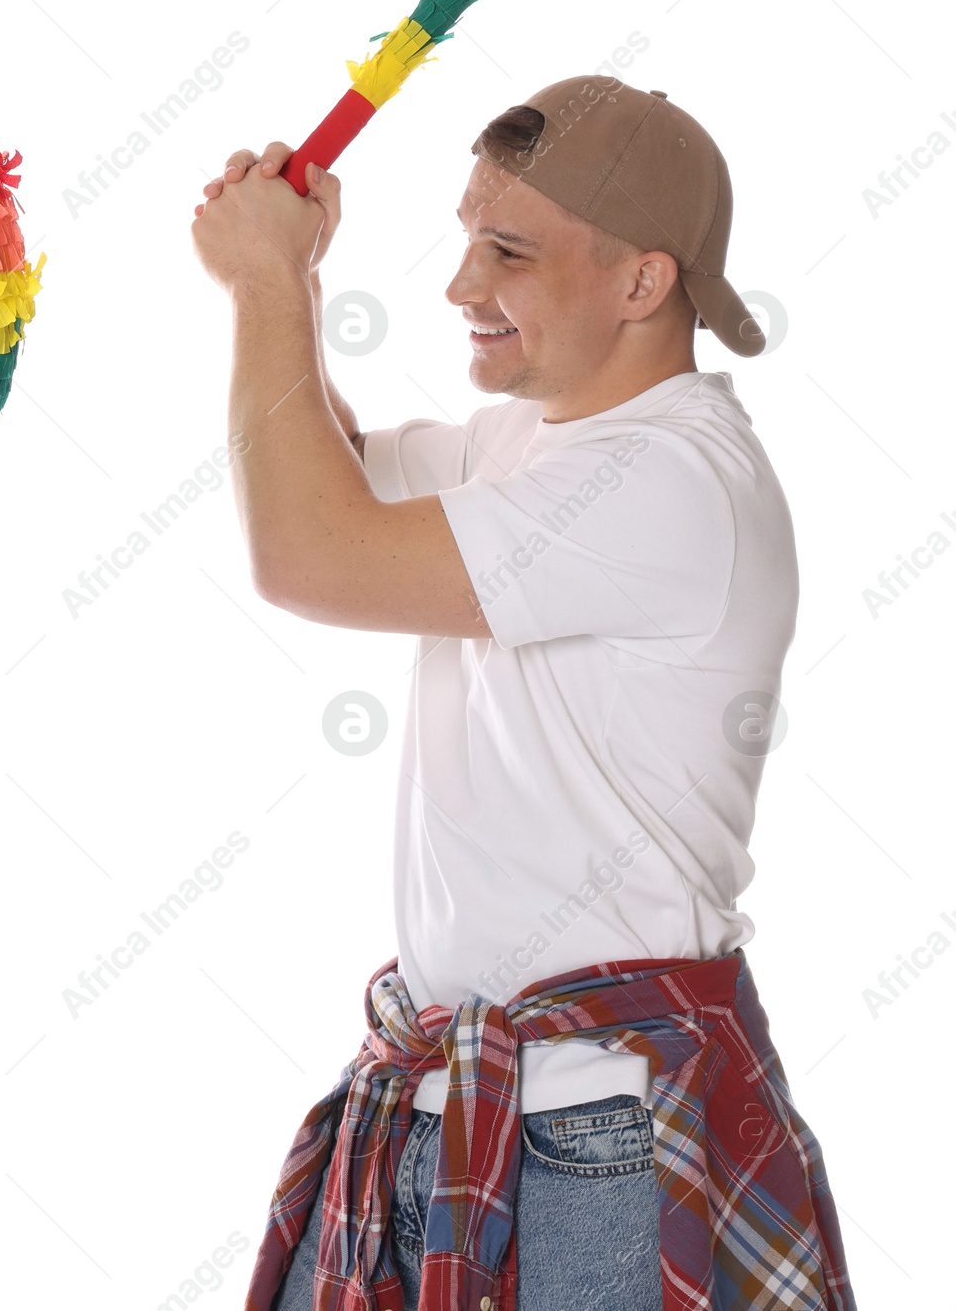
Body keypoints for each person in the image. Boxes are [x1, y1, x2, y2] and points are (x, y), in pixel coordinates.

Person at [188, 76, 855, 1310]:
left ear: (644, 282)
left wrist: (267, 286)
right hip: (460, 1103)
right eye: (464, 238)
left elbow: (307, 551)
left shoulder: (671, 483)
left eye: (506, 251)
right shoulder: (536, 442)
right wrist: (289, 280)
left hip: (590, 1141)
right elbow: (315, 469)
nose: (457, 285)